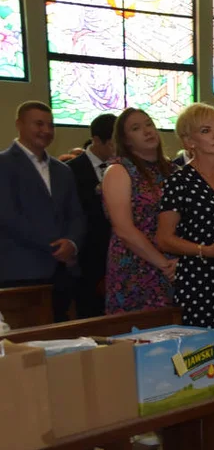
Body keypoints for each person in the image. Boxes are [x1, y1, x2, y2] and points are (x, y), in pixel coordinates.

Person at [155, 103, 214, 450]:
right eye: (207, 131)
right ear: (188, 140)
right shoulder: (180, 181)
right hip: (199, 281)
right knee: (200, 371)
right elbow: (164, 238)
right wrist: (204, 250)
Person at [0, 101, 86, 321]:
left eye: (51, 125)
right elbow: (8, 216)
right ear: (19, 124)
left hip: (62, 271)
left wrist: (72, 243)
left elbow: (76, 214)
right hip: (20, 269)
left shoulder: (62, 170)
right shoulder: (4, 164)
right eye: (39, 124)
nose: (46, 131)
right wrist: (56, 245)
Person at [101, 108, 176, 313]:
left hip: (174, 263)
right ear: (126, 140)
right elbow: (124, 229)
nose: (147, 131)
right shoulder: (119, 170)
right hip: (135, 265)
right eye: (136, 128)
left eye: (149, 124)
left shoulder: (172, 170)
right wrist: (164, 264)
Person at [66, 112, 116, 318]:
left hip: (120, 257)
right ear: (97, 140)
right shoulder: (71, 170)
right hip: (87, 261)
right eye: (114, 142)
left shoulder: (125, 168)